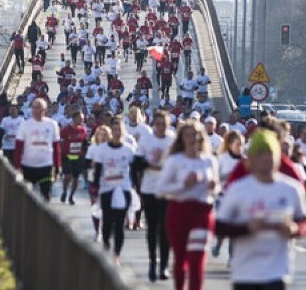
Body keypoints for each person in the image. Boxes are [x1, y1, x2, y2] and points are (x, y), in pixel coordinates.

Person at [215, 129, 306, 290]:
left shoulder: (291, 189)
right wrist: (247, 228)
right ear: (250, 159)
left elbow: (305, 220)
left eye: (270, 153)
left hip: (278, 272)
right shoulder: (238, 189)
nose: (266, 158)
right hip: (245, 273)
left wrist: (295, 229)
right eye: (260, 154)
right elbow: (219, 226)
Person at [156, 118, 218, 290]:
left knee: (197, 260)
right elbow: (161, 190)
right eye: (189, 135)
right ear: (182, 138)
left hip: (202, 212)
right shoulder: (175, 161)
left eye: (196, 135)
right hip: (179, 211)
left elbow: (217, 187)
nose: (193, 139)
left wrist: (214, 186)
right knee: (181, 258)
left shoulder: (209, 161)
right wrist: (183, 185)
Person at [134, 110, 176, 282]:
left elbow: (179, 161)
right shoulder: (146, 140)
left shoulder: (173, 140)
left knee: (165, 229)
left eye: (164, 124)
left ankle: (164, 265)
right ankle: (152, 261)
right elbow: (136, 163)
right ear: (153, 124)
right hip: (149, 188)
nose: (160, 127)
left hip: (167, 190)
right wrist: (150, 164)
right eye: (158, 124)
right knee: (152, 228)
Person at [90, 115, 136, 264]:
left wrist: (135, 188)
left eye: (119, 130)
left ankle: (116, 254)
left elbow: (135, 171)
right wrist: (95, 190)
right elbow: (98, 172)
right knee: (108, 222)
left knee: (119, 223)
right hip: (106, 190)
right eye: (114, 129)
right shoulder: (102, 149)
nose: (116, 132)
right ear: (111, 132)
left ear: (123, 132)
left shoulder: (129, 150)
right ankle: (106, 245)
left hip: (123, 190)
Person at [13, 98, 61, 202]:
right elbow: (18, 147)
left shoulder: (52, 124)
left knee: (46, 195)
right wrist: (17, 166)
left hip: (46, 166)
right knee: (27, 197)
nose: (36, 110)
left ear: (45, 110)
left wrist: (57, 168)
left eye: (39, 108)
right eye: (34, 108)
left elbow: (56, 146)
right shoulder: (25, 125)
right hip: (28, 166)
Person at [213, 130, 244, 258]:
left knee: (235, 228)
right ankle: (219, 244)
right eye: (237, 144)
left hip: (240, 198)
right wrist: (228, 176)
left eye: (241, 145)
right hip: (223, 197)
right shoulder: (222, 158)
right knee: (225, 226)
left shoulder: (245, 160)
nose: (240, 148)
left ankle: (232, 256)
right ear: (230, 144)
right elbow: (215, 177)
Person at [60, 111, 88, 204]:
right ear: (74, 118)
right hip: (67, 155)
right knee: (67, 176)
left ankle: (71, 196)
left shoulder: (83, 130)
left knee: (75, 178)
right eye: (80, 118)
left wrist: (85, 151)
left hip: (78, 156)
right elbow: (60, 140)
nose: (82, 120)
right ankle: (64, 191)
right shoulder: (66, 129)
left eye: (83, 119)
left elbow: (84, 142)